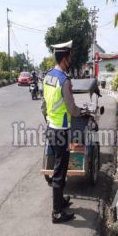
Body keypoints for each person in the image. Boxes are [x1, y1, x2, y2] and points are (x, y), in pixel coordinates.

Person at [42, 40, 81, 223]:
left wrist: (49, 118)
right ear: (64, 58)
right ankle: (57, 213)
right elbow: (72, 109)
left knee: (59, 168)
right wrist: (83, 111)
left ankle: (60, 201)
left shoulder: (48, 76)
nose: (71, 59)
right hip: (61, 132)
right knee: (60, 171)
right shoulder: (64, 80)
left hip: (51, 128)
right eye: (70, 56)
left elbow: (44, 105)